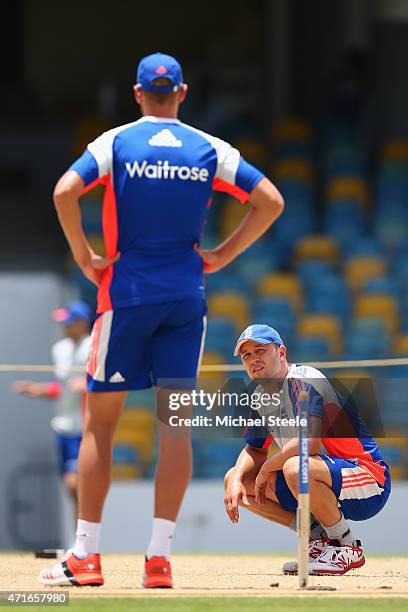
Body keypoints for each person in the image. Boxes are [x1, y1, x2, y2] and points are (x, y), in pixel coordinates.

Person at [39, 52, 284, 588]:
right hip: (184, 300)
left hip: (124, 296)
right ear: (182, 93)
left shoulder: (116, 142)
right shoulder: (208, 148)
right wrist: (221, 254)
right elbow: (270, 200)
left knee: (99, 426)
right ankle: (158, 558)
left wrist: (84, 256)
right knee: (174, 429)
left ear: (136, 94)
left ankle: (86, 555)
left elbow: (64, 191)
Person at [224, 324, 391, 576]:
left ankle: (345, 545)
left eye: (260, 350)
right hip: (325, 477)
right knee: (237, 479)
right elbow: (254, 450)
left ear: (281, 353)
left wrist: (269, 466)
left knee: (295, 466)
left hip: (368, 478)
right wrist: (236, 478)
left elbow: (309, 442)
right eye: (246, 355)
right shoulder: (260, 396)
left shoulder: (303, 379)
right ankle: (319, 539)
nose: (253, 359)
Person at [13, 301, 92, 521]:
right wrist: (36, 390)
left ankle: (84, 536)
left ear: (81, 323)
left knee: (74, 482)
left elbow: (108, 381)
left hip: (85, 426)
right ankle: (80, 537)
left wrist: (87, 385)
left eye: (68, 323)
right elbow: (62, 388)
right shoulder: (60, 349)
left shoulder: (93, 346)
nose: (64, 328)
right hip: (64, 425)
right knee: (71, 486)